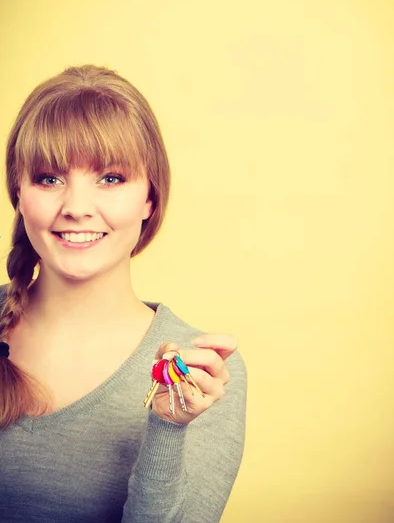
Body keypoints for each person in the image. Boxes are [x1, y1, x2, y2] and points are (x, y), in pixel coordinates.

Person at [0, 65, 247, 523]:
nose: (75, 208)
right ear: (18, 191)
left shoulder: (201, 374)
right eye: (49, 178)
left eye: (110, 178)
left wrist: (168, 430)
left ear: (149, 199)